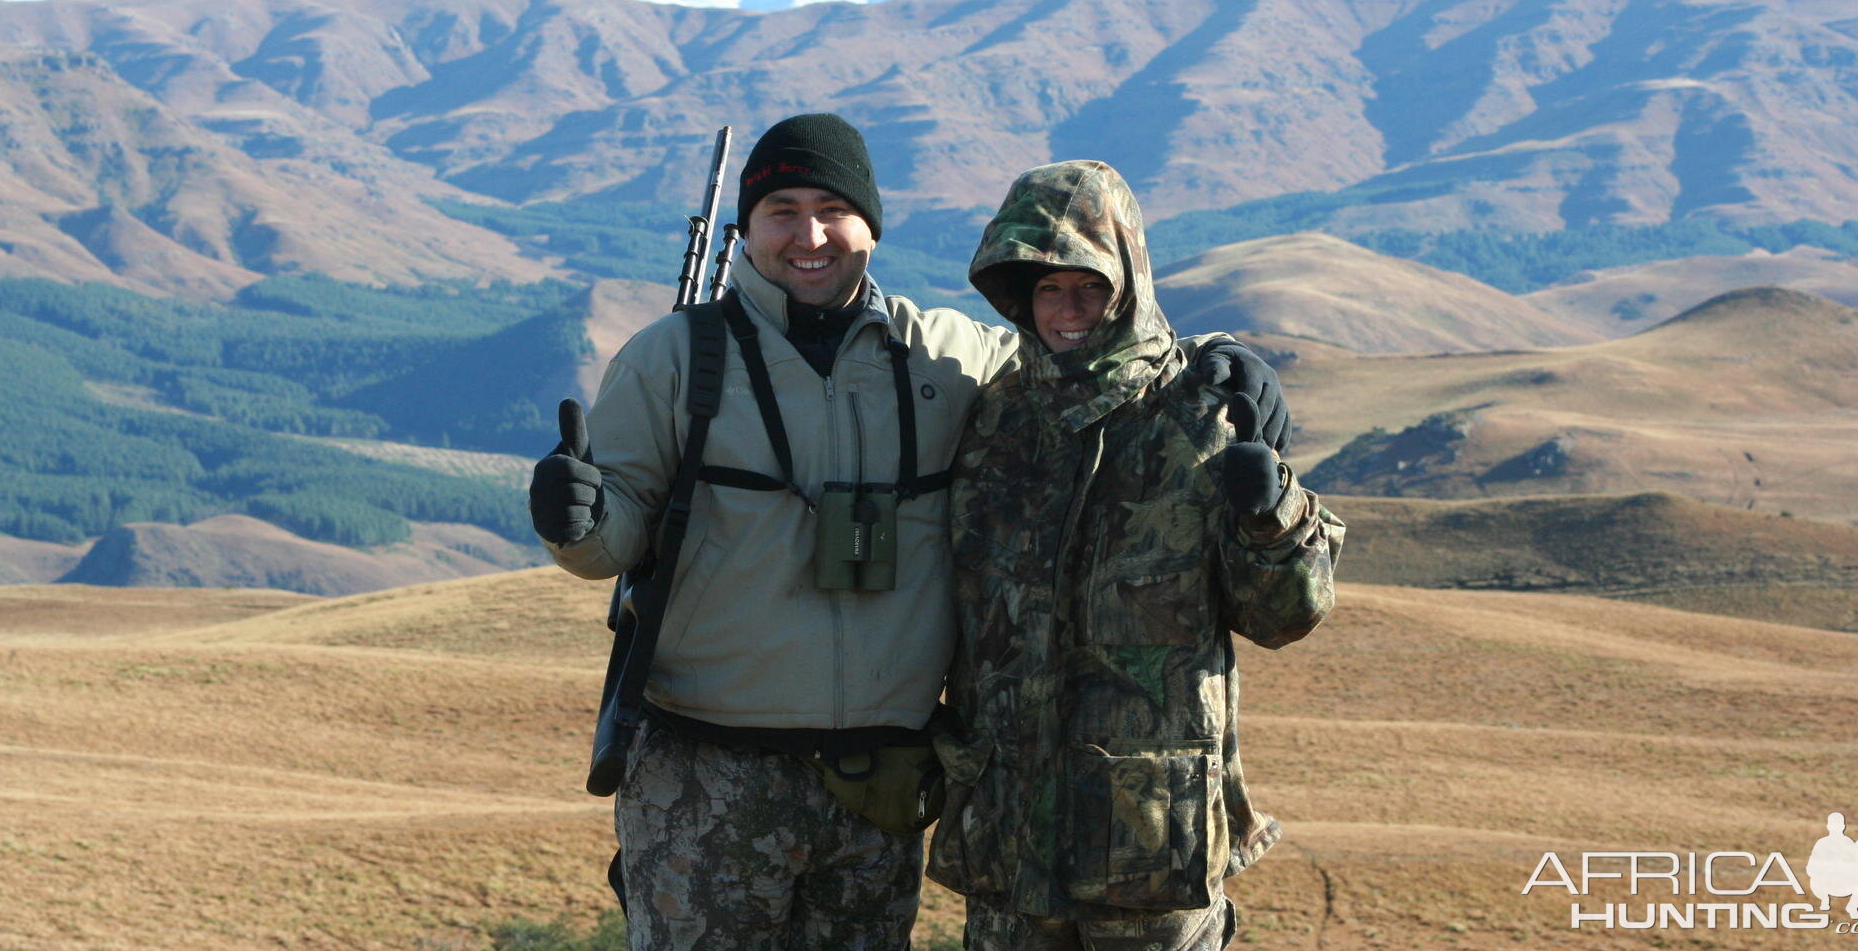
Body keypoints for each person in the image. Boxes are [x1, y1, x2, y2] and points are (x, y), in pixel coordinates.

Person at [527, 116, 1288, 951]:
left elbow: (1085, 361)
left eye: (832, 209)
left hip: (880, 789)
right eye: (781, 209)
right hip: (706, 777)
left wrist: (1218, 356)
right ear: (749, 226)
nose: (809, 235)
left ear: (871, 226)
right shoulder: (672, 360)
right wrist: (579, 520)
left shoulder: (951, 356)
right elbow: (613, 542)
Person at [927, 159, 1345, 951]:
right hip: (1008, 841)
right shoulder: (995, 424)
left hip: (1149, 843)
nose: (1068, 309)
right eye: (1047, 288)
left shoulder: (1198, 414)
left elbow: (1287, 616)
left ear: (1129, 282)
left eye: (1089, 285)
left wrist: (1270, 513)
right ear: (1017, 295)